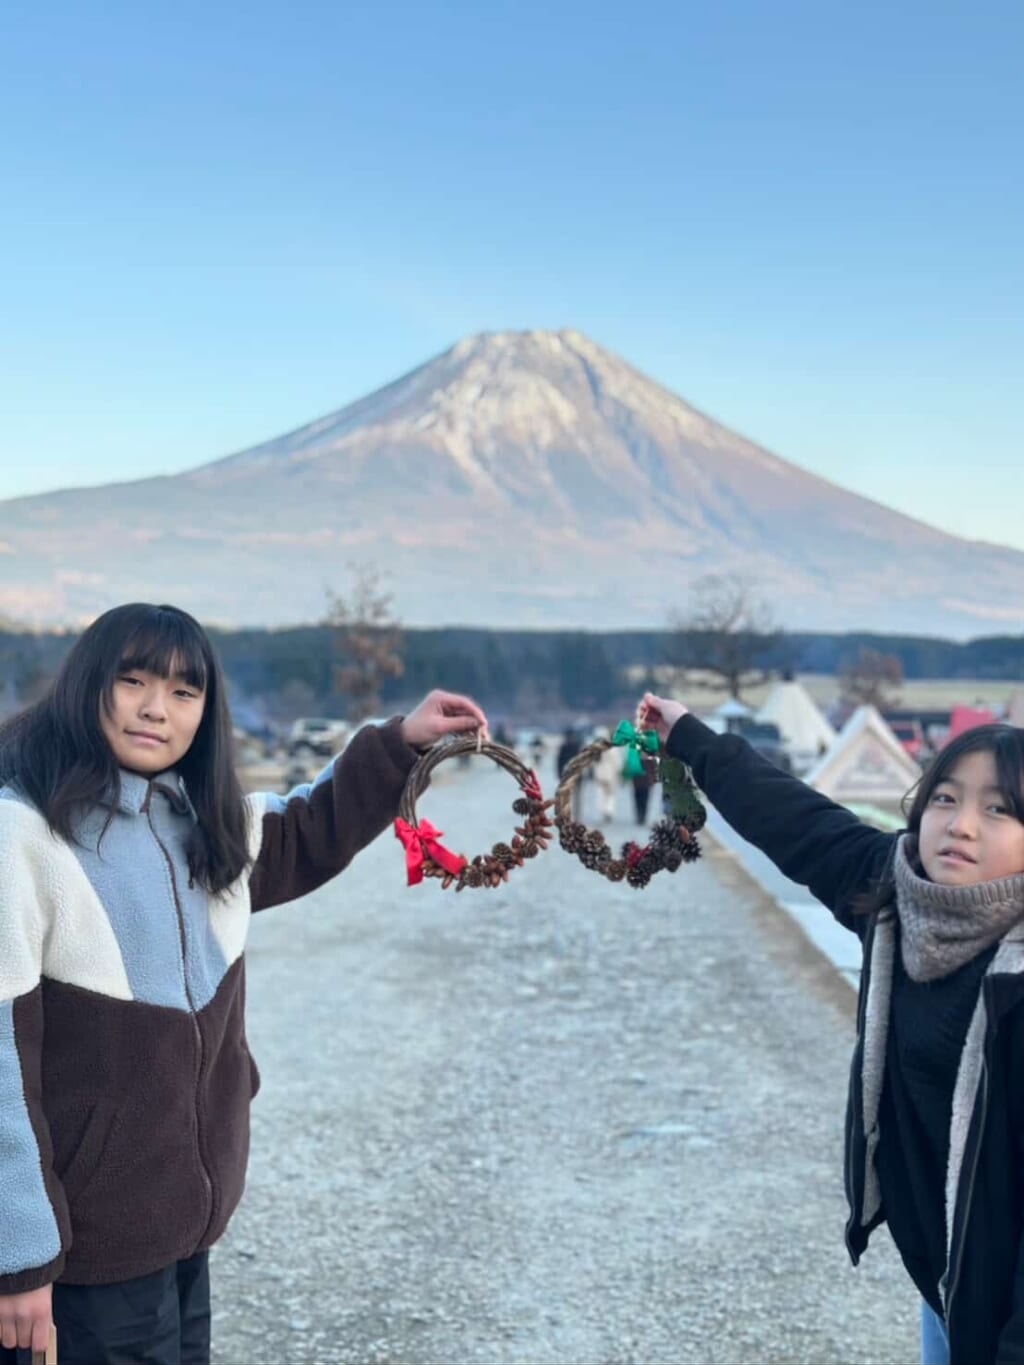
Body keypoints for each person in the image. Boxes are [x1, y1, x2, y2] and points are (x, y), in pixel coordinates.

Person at [0, 602, 487, 1365]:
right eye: (132, 681)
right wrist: (18, 1261)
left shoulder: (202, 822)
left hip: (182, 1226)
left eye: (183, 691)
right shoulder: (22, 835)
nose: (156, 707)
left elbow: (309, 827)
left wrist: (399, 743)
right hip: (83, 1258)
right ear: (88, 686)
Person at [636, 691, 1024, 1365]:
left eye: (999, 808)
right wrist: (691, 737)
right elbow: (797, 822)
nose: (962, 825)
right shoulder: (897, 893)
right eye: (945, 798)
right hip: (947, 1279)